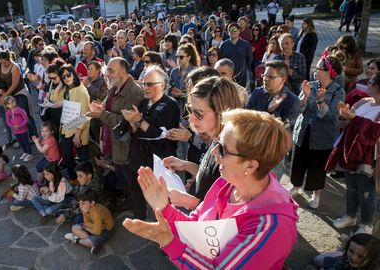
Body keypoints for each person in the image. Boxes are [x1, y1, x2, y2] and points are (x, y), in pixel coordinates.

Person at [123, 109, 298, 269]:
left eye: (222, 149)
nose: (214, 152)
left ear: (250, 165)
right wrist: (165, 208)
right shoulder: (226, 184)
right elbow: (197, 228)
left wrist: (168, 242)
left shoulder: (271, 227)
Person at [164, 76, 244, 208]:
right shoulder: (215, 137)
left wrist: (192, 203)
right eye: (190, 110)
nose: (192, 118)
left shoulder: (233, 152)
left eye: (199, 113)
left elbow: (230, 210)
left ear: (222, 111)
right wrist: (186, 166)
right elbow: (211, 174)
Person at [116, 65, 180, 220]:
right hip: (138, 154)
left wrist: (139, 120)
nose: (146, 87)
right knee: (136, 187)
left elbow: (162, 135)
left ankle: (168, 224)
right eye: (144, 84)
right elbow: (135, 129)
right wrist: (132, 123)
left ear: (162, 85)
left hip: (159, 158)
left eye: (150, 84)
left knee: (163, 195)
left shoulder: (171, 105)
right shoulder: (144, 102)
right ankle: (139, 217)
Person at [88, 57, 144, 211]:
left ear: (123, 71)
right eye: (107, 71)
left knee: (130, 179)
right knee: (121, 176)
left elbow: (124, 120)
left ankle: (137, 208)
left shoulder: (135, 92)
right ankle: (127, 200)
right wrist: (99, 107)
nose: (108, 74)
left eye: (111, 71)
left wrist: (101, 114)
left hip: (125, 145)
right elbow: (107, 106)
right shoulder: (114, 87)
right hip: (112, 141)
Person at [289, 56, 345, 209]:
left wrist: (321, 101)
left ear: (328, 73)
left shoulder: (338, 92)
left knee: (318, 167)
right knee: (298, 162)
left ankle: (316, 194)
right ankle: (296, 186)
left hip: (323, 137)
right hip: (303, 131)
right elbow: (299, 108)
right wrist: (306, 96)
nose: (315, 70)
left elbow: (332, 117)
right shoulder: (311, 85)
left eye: (319, 68)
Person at [328, 73, 380, 235]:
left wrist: (355, 119)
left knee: (366, 192)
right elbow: (345, 123)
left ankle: (367, 224)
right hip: (350, 153)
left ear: (377, 87)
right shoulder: (364, 101)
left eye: (369, 82)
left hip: (369, 158)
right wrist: (344, 116)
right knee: (351, 187)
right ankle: (350, 215)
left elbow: (375, 131)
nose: (366, 84)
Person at [58, 64, 90, 180]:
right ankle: (73, 179)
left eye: (68, 75)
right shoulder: (68, 88)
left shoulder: (81, 91)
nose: (66, 78)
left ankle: (87, 181)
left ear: (74, 74)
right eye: (63, 77)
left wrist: (77, 135)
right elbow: (55, 98)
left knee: (83, 159)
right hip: (67, 127)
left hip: (79, 131)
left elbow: (84, 115)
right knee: (66, 155)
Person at [0, 50, 38, 138]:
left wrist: (4, 96)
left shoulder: (14, 67)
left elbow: (14, 85)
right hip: (7, 94)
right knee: (11, 117)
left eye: (4, 62)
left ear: (9, 60)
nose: (3, 64)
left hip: (19, 92)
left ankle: (33, 135)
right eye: (1, 62)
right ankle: (18, 137)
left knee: (25, 114)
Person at [64, 188, 114, 255]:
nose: (81, 206)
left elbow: (97, 232)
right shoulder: (85, 208)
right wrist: (91, 227)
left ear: (92, 203)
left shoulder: (97, 212)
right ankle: (92, 242)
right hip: (96, 226)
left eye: (83, 203)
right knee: (74, 227)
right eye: (80, 203)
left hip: (106, 230)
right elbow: (86, 222)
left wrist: (87, 228)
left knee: (92, 241)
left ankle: (77, 239)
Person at [314, 233, 380, 269]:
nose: (353, 258)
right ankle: (343, 247)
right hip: (343, 262)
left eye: (360, 256)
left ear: (372, 258)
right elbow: (338, 265)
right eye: (351, 251)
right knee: (317, 259)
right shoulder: (345, 260)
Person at [220, 23, 253, 88]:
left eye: (234, 30)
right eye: (230, 30)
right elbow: (221, 60)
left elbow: (250, 60)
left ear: (239, 31)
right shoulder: (223, 45)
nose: (233, 32)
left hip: (242, 77)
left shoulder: (246, 44)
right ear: (228, 32)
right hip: (227, 77)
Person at [169, 44, 197, 114]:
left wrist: (183, 94)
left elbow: (197, 94)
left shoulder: (194, 72)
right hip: (175, 108)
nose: (178, 59)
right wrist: (173, 92)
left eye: (181, 57)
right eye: (177, 57)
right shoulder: (174, 71)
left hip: (189, 110)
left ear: (189, 57)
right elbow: (169, 89)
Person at [4, 95, 33, 162]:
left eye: (13, 102)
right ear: (7, 105)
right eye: (9, 103)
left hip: (23, 130)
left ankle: (30, 153)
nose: (12, 104)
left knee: (26, 142)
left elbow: (26, 119)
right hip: (16, 131)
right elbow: (8, 122)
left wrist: (20, 125)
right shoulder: (8, 112)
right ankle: (25, 152)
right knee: (21, 142)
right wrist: (13, 126)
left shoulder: (20, 110)